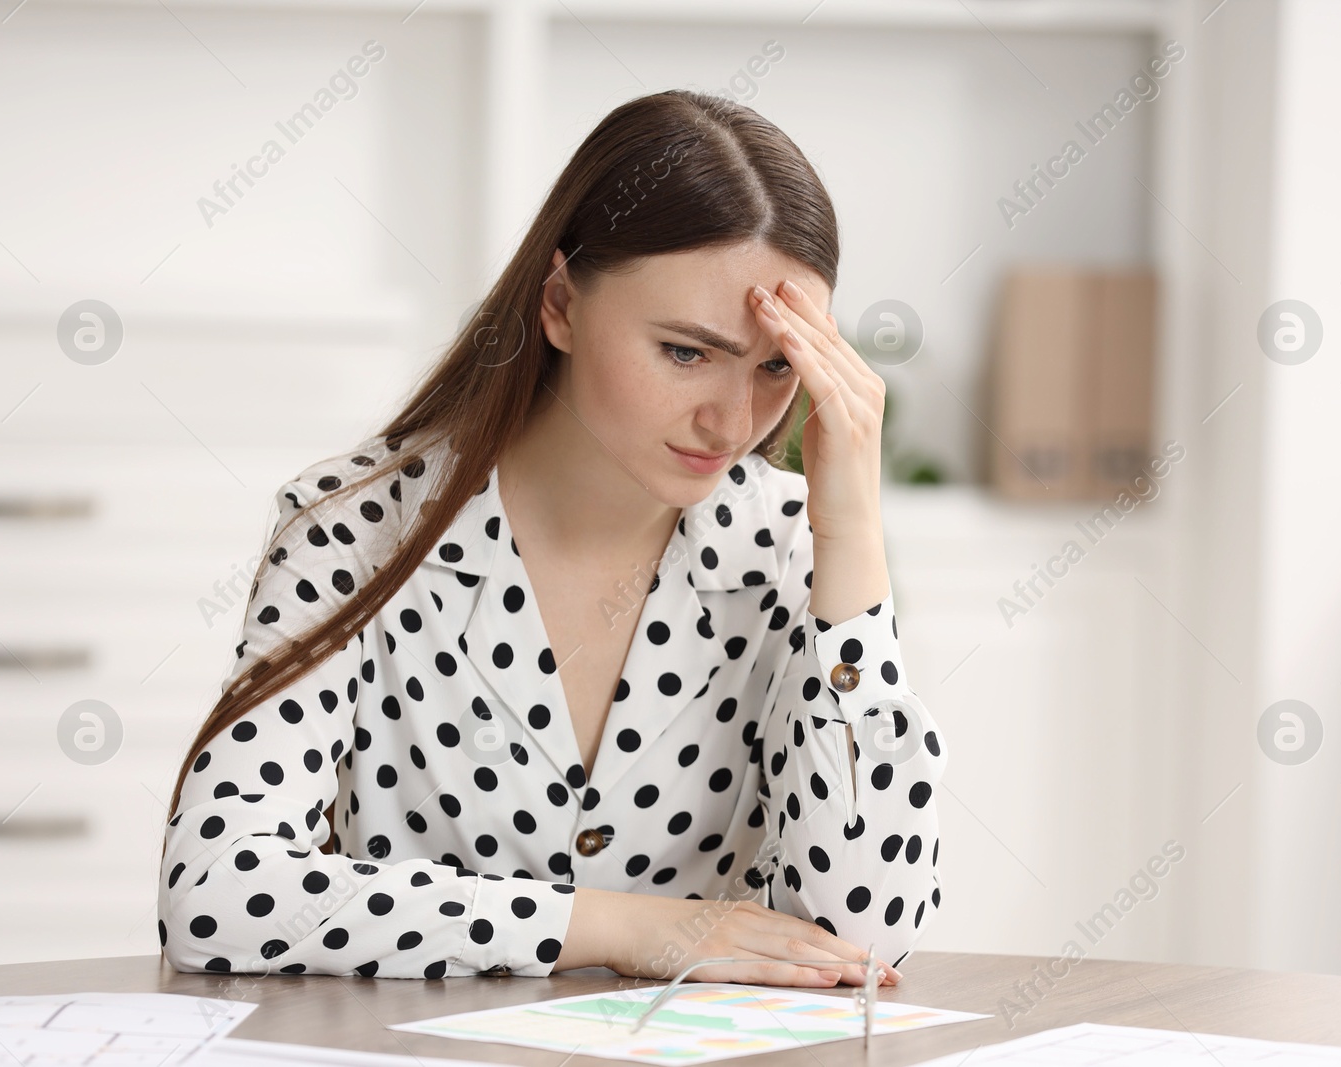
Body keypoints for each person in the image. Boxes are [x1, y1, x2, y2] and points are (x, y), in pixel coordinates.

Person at [158, 88, 947, 987]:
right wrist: (618, 926)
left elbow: (866, 934)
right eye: (686, 351)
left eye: (775, 366)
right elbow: (217, 893)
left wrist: (849, 530)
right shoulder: (356, 528)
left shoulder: (790, 551)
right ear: (562, 303)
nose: (733, 421)